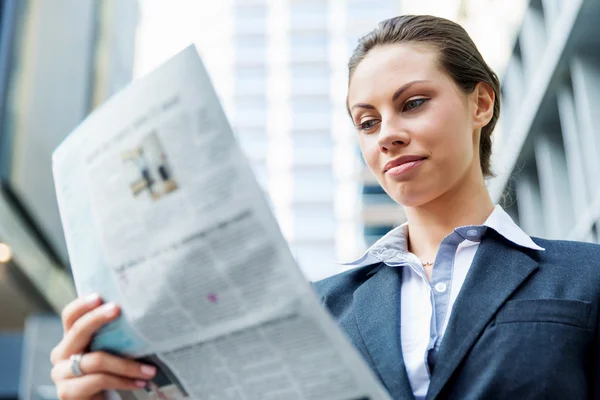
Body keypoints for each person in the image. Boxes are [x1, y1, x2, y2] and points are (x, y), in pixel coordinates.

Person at [50, 15, 600, 400]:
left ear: (480, 102)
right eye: (367, 121)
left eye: (412, 104)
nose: (387, 135)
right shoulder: (319, 309)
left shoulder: (586, 275)